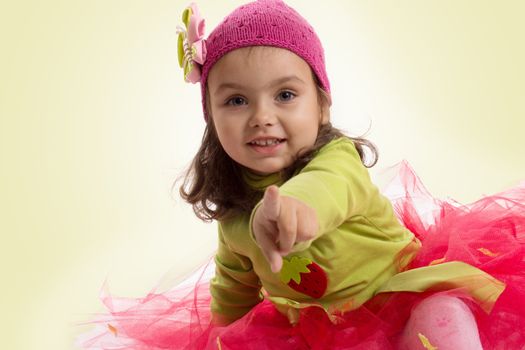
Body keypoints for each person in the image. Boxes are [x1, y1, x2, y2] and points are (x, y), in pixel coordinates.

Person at [77, 1, 525, 349]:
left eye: (286, 95)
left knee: (442, 317)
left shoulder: (337, 160)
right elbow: (234, 287)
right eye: (236, 101)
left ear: (322, 104)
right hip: (319, 329)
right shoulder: (233, 217)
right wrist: (225, 333)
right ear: (210, 118)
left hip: (399, 293)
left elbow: (324, 192)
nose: (262, 117)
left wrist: (295, 210)